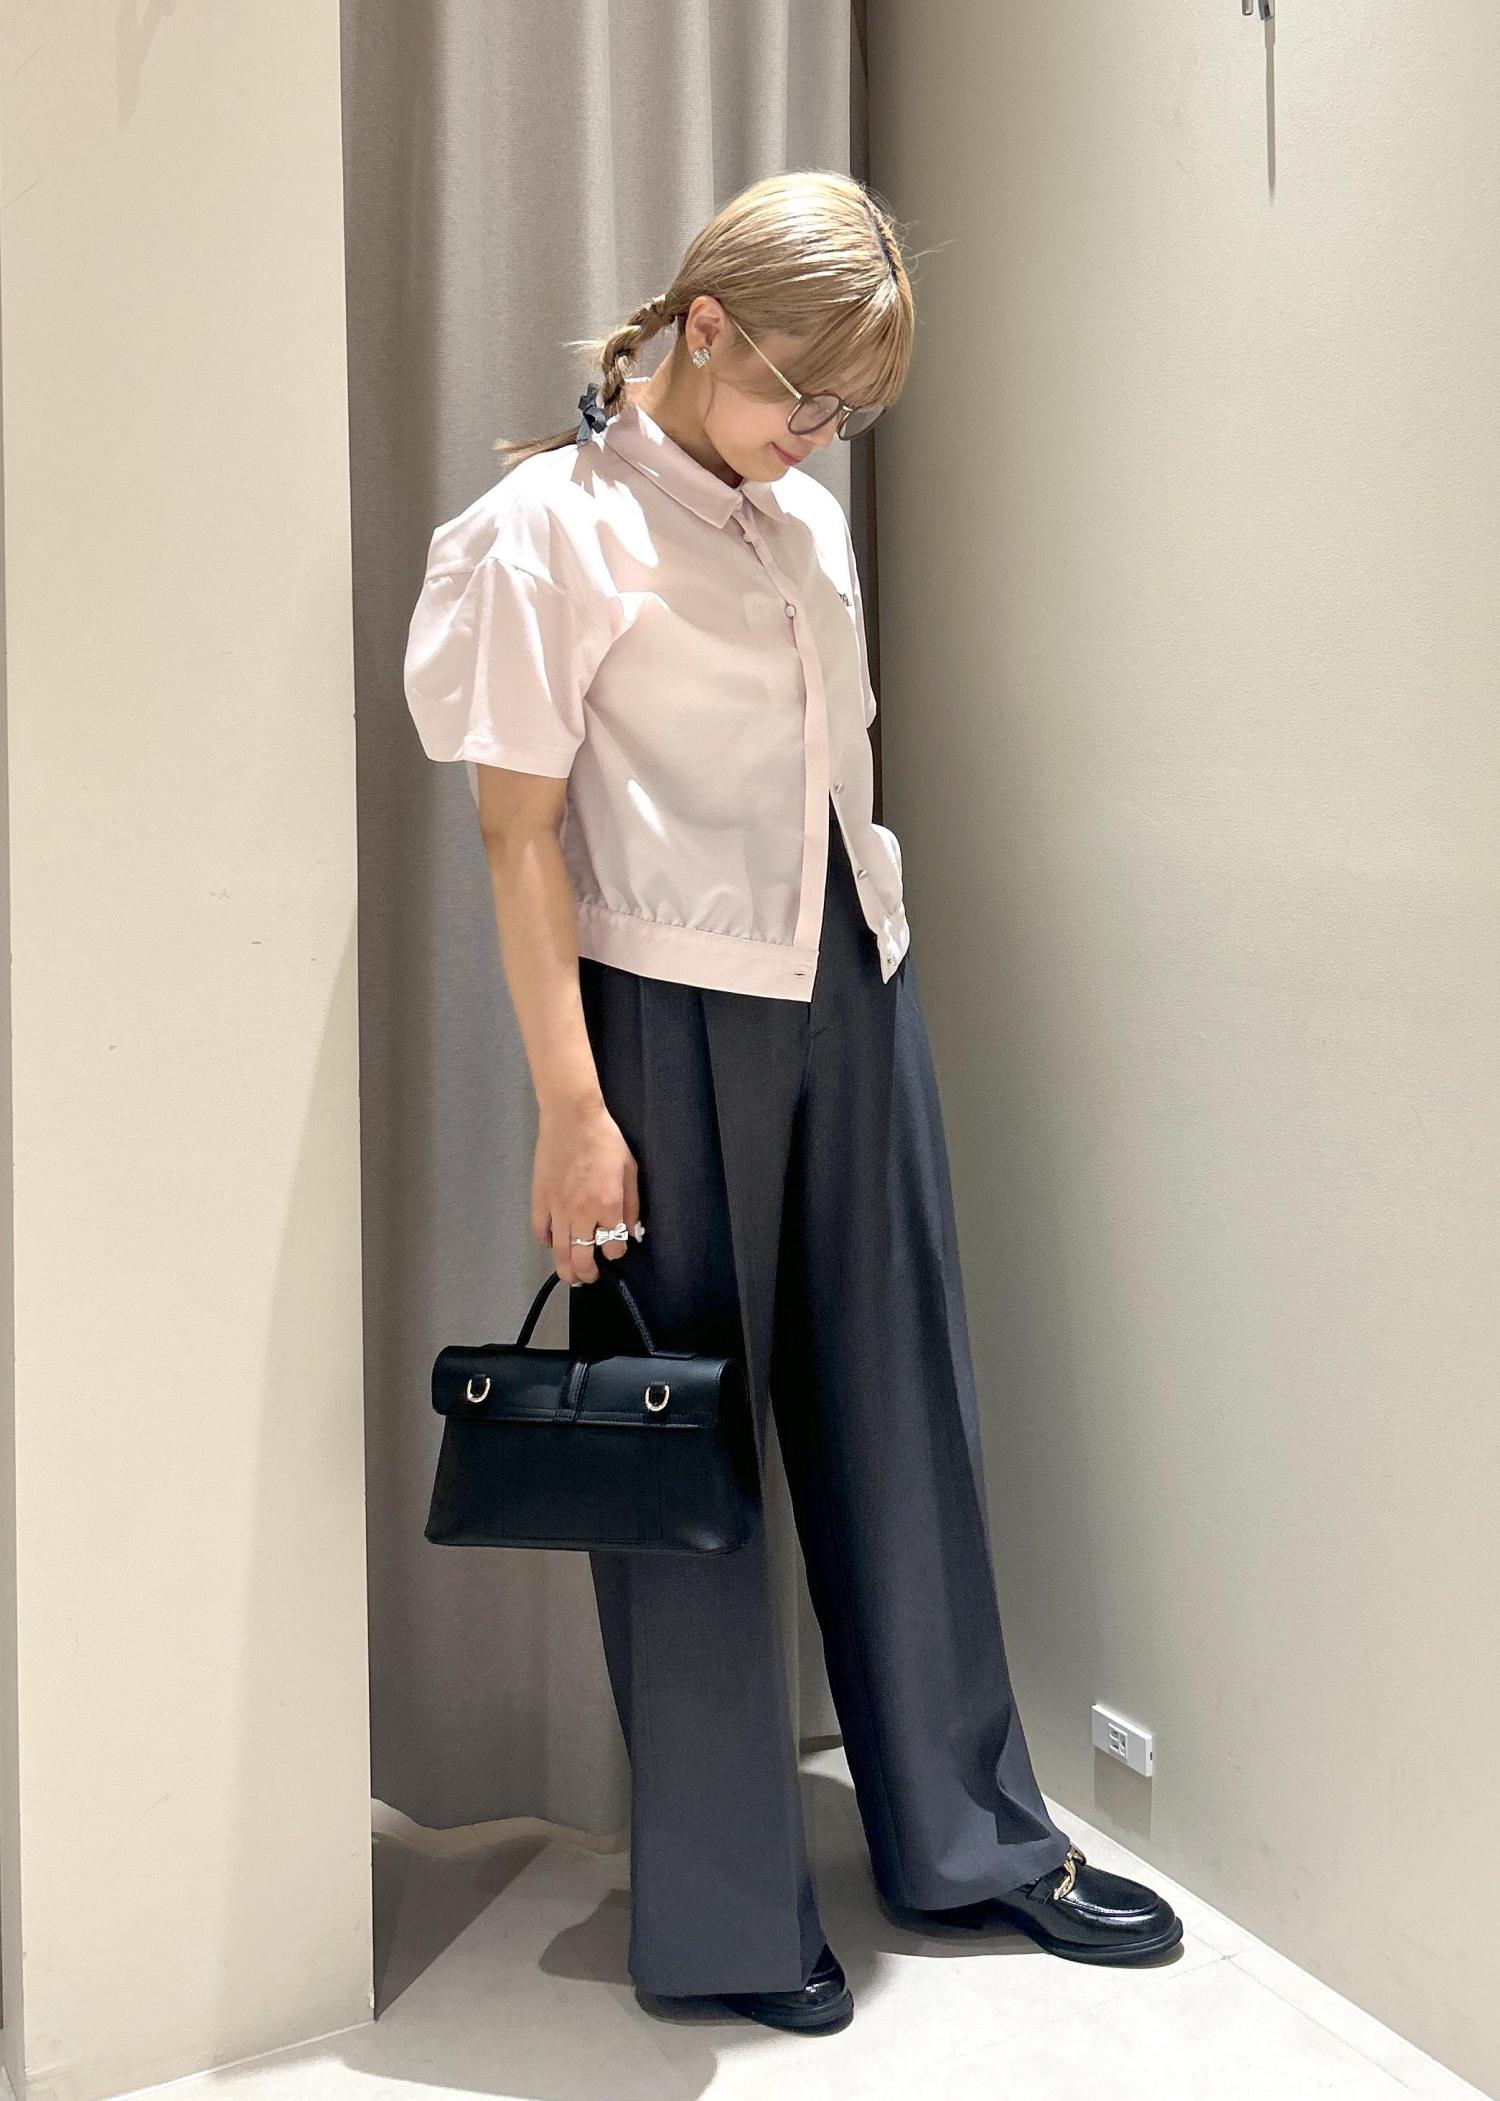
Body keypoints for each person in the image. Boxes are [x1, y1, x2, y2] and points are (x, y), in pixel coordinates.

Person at [402, 170, 1181, 2038]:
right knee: (684, 1448)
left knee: (907, 1404)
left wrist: (869, 983)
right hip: (661, 1010)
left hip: (852, 982)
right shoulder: (548, 534)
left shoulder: (802, 521)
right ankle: (728, 1912)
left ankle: (969, 1841)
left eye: (847, 411)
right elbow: (517, 839)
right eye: (797, 393)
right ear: (705, 327)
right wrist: (572, 1106)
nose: (814, 435)